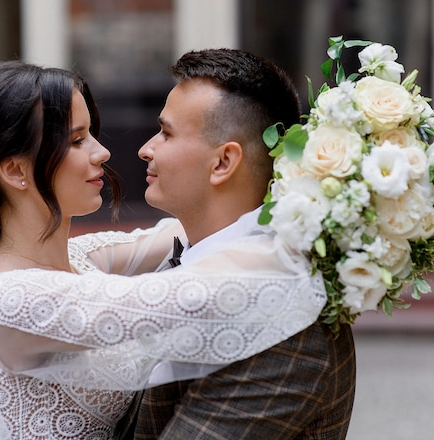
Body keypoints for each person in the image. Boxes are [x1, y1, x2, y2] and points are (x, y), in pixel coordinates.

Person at [0, 61, 326, 439]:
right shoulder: (9, 300)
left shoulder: (85, 259)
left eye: (91, 133)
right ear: (15, 170)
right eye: (75, 140)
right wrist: (331, 227)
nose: (102, 152)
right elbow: (194, 293)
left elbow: (199, 227)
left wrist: (316, 185)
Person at [131, 49, 357, 439]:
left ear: (223, 162)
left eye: (166, 133)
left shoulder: (280, 323)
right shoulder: (187, 254)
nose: (146, 149)